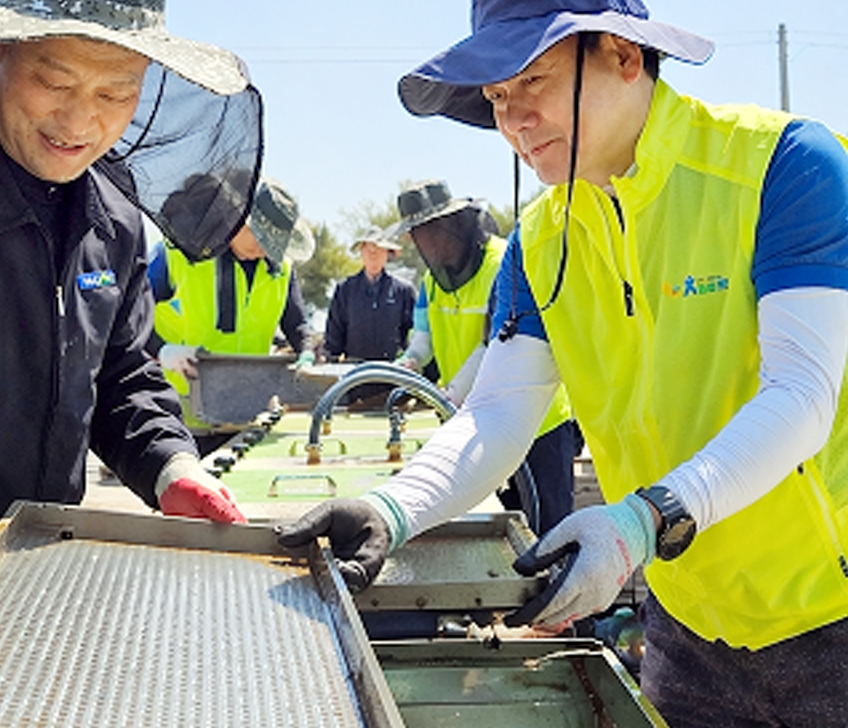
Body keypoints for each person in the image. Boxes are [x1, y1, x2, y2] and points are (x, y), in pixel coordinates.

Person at [278, 0, 848, 728]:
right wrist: (391, 506)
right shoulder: (541, 240)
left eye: (531, 80)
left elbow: (802, 395)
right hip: (689, 622)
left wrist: (641, 520)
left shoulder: (784, 167)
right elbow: (496, 414)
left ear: (623, 55)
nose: (513, 120)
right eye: (494, 98)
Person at [0, 0, 262, 646]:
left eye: (114, 94)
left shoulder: (114, 212)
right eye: (54, 81)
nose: (79, 121)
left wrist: (169, 462)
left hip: (32, 582)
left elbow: (124, 375)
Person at [396, 177, 580, 532]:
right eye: (420, 233)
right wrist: (409, 365)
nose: (430, 241)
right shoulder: (433, 281)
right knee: (502, 532)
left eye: (435, 229)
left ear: (457, 224)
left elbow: (496, 343)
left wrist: (451, 395)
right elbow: (423, 339)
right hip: (476, 422)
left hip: (538, 422)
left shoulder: (502, 263)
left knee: (549, 533)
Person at [149, 177, 316, 450]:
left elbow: (297, 324)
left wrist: (307, 352)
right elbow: (128, 312)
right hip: (182, 416)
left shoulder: (281, 268)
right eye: (260, 237)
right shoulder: (178, 252)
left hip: (247, 415)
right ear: (236, 219)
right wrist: (161, 350)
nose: (264, 250)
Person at [322, 226, 415, 407]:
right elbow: (334, 336)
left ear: (387, 253)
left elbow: (413, 335)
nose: (373, 253)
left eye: (378, 249)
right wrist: (330, 362)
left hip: (392, 379)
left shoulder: (404, 291)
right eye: (368, 248)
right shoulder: (345, 290)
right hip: (355, 379)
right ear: (361, 252)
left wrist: (410, 362)